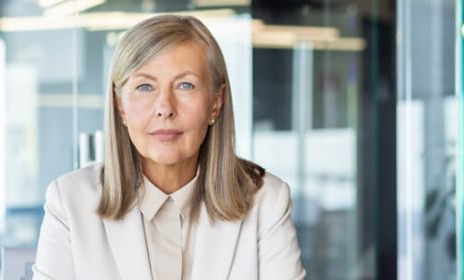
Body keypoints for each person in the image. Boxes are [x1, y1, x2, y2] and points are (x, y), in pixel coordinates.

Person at [33, 14, 306, 280]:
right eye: (144, 87)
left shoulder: (266, 201)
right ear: (120, 106)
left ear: (216, 102)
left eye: (185, 85)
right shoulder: (69, 203)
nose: (165, 108)